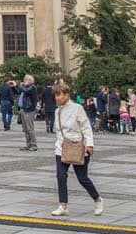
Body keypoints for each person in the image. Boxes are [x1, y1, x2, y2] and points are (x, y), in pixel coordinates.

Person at [50, 81, 102, 217]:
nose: (57, 98)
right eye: (55, 95)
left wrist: (90, 144)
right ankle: (63, 205)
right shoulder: (57, 111)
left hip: (78, 147)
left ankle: (97, 199)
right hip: (61, 148)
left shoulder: (77, 108)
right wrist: (58, 145)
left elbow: (86, 127)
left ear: (67, 95)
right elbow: (58, 131)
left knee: (82, 178)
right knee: (61, 176)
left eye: (59, 95)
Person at [17, 74, 39, 151]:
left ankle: (34, 145)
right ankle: (28, 144)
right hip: (23, 109)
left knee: (30, 128)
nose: (24, 81)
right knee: (25, 129)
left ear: (30, 81)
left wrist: (20, 85)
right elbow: (18, 91)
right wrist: (15, 86)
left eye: (26, 79)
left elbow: (25, 91)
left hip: (29, 110)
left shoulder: (32, 88)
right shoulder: (25, 88)